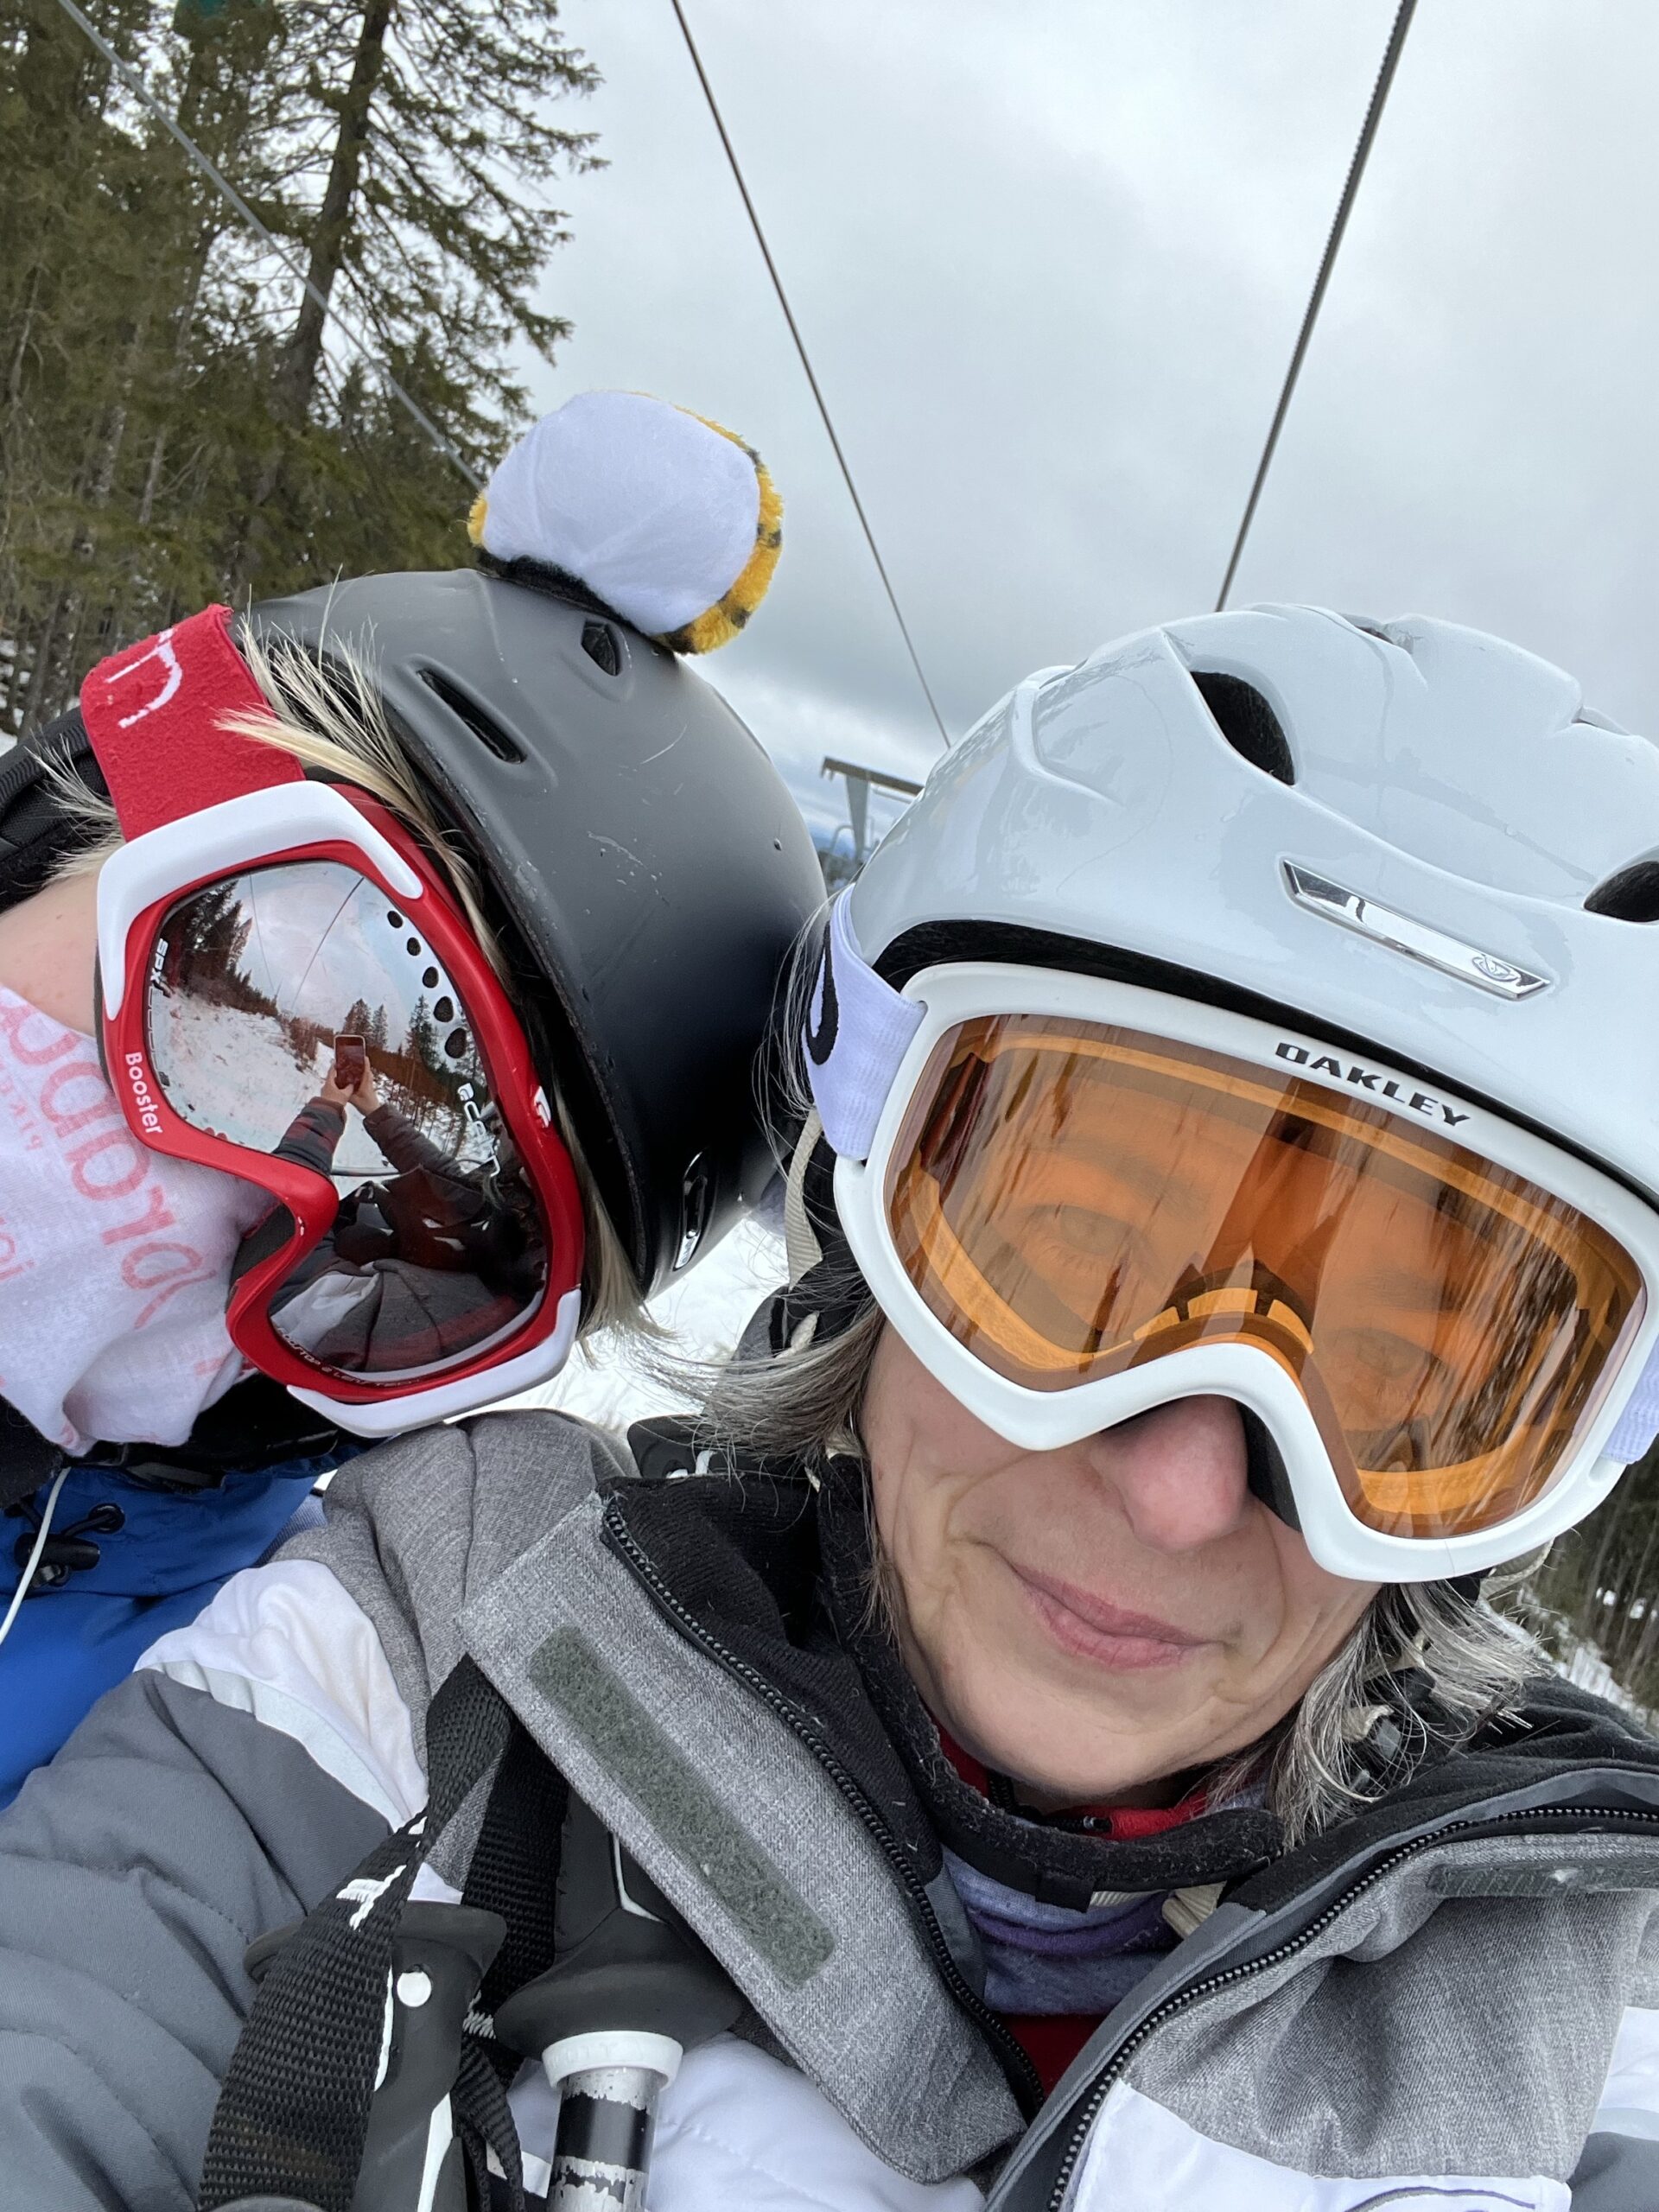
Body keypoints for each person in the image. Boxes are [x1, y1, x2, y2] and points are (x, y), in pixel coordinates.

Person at [6, 606, 1659, 2210]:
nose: (1178, 1490)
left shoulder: (1554, 2020)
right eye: (1072, 1261)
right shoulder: (450, 1644)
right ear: (866, 1234)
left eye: (1399, 1380)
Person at [0, 387, 822, 1803]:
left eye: (437, 1257)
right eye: (246, 990)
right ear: (46, 840)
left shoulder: (184, 1737)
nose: (201, 1209)